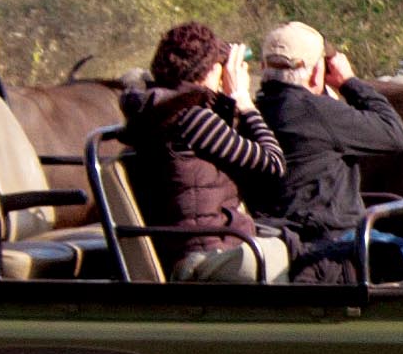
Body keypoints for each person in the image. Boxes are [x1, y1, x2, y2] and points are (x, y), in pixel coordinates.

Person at [115, 21, 293, 282]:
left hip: (195, 248)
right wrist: (243, 101)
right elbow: (274, 163)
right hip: (206, 254)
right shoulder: (191, 118)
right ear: (210, 70)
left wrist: (225, 102)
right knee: (300, 255)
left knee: (287, 243)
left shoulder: (164, 112)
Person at [254, 21, 403, 283]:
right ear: (317, 72)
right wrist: (349, 82)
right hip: (335, 243)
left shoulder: (252, 112)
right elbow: (396, 135)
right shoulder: (318, 112)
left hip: (282, 237)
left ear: (262, 67)